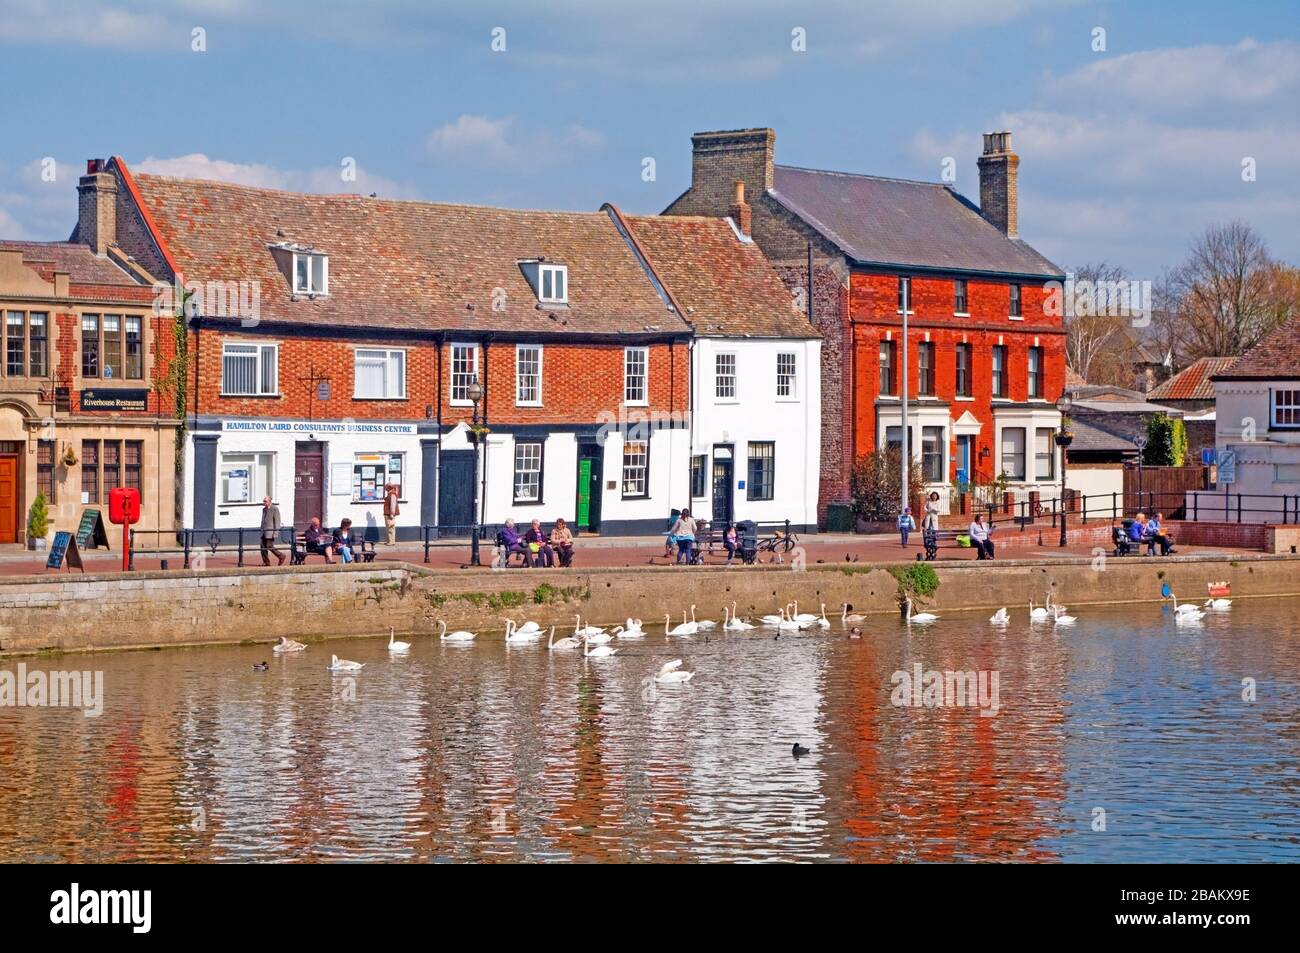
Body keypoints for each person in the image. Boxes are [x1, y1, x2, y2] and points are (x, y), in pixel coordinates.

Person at [260, 496, 286, 566]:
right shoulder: (264, 509)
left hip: (270, 532)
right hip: (264, 531)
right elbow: (263, 520)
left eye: (265, 501)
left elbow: (277, 522)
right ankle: (266, 562)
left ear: (270, 501)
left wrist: (275, 533)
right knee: (262, 547)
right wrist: (261, 529)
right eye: (264, 501)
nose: (264, 502)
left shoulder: (275, 509)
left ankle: (281, 556)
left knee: (269, 546)